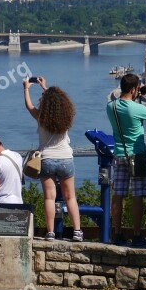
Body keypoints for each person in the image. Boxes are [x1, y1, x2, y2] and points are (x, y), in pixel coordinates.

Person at [24, 76, 83, 242]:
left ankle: (50, 233)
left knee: (49, 197)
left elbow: (29, 106)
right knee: (70, 196)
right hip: (65, 158)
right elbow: (55, 100)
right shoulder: (66, 118)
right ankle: (77, 231)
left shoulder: (41, 116)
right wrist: (46, 87)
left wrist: (26, 88)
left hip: (47, 159)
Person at [106, 73, 146, 247]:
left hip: (119, 155)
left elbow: (126, 105)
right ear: (133, 89)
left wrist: (137, 95)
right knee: (137, 196)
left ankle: (117, 232)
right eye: (137, 88)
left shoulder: (111, 106)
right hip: (137, 156)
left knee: (118, 195)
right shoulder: (136, 108)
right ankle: (137, 234)